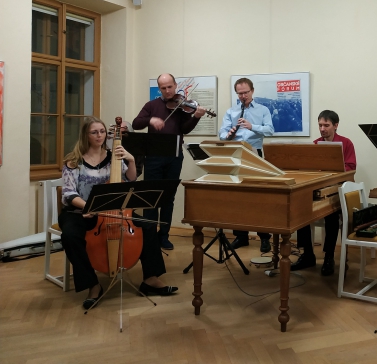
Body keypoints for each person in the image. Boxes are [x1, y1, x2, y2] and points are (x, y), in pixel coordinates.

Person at [58, 117, 177, 310]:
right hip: (81, 211)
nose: (99, 135)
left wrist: (131, 160)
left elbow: (130, 180)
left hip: (113, 211)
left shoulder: (113, 156)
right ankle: (92, 284)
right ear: (85, 135)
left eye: (102, 131)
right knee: (70, 236)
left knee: (147, 226)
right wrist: (89, 207)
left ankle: (150, 279)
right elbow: (69, 193)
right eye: (94, 132)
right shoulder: (74, 161)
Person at [132, 73, 205, 250]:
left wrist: (196, 117)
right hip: (153, 158)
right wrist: (150, 119)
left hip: (174, 157)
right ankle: (149, 237)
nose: (167, 91)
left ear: (175, 85)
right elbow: (136, 123)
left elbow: (185, 129)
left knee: (168, 198)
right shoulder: (151, 105)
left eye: (170, 87)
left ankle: (164, 236)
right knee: (151, 197)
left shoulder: (182, 105)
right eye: (163, 88)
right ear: (159, 89)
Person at [291, 110, 357, 276]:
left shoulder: (346, 143)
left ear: (335, 125)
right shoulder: (316, 144)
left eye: (326, 125)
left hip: (339, 190)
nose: (322, 129)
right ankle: (307, 254)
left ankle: (329, 256)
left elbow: (351, 167)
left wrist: (332, 169)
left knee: (331, 213)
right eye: (320, 125)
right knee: (301, 210)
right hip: (320, 188)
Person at [219, 77, 275, 252]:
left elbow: (270, 130)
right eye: (240, 93)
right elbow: (222, 134)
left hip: (255, 154)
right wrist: (228, 134)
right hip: (236, 154)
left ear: (252, 91)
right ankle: (241, 236)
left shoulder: (263, 110)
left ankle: (264, 237)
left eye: (246, 92)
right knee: (238, 198)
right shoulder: (231, 111)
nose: (243, 96)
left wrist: (252, 127)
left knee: (259, 198)